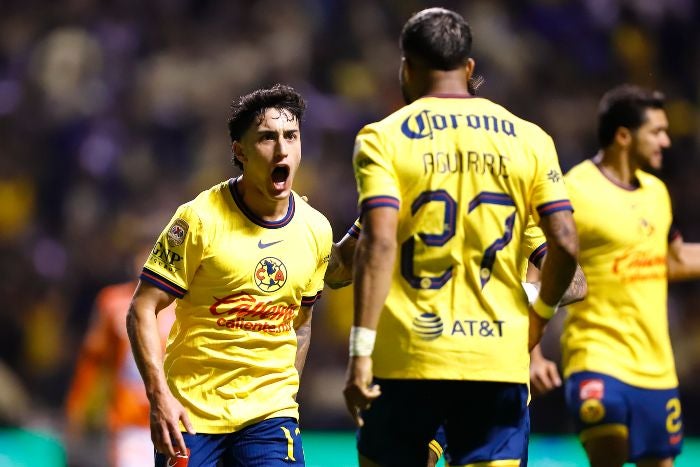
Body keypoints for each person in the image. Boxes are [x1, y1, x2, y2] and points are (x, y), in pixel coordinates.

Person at [341, 7, 579, 467]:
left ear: (405, 68)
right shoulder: (531, 139)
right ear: (469, 68)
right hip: (497, 361)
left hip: (407, 361)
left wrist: (360, 354)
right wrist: (540, 318)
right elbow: (565, 245)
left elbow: (380, 244)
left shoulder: (382, 138)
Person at [126, 84, 332, 467]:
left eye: (291, 136)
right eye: (267, 138)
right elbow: (141, 308)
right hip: (191, 412)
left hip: (269, 417)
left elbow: (301, 322)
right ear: (240, 151)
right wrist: (159, 399)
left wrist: (284, 396)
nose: (282, 149)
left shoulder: (316, 230)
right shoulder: (198, 219)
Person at [530, 84, 700, 467]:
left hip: (657, 368)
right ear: (624, 136)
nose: (667, 141)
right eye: (656, 131)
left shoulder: (657, 192)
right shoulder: (575, 190)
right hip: (597, 358)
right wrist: (533, 351)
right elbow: (534, 260)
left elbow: (671, 259)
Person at [326, 218, 586, 467]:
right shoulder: (405, 185)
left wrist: (512, 295)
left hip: (484, 375)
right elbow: (340, 269)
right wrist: (303, 229)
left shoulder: (403, 182)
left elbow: (574, 282)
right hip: (433, 368)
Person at [65, 249, 175, 467]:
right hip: (128, 420)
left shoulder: (183, 307)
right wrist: (77, 406)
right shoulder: (113, 303)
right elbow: (93, 359)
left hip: (173, 420)